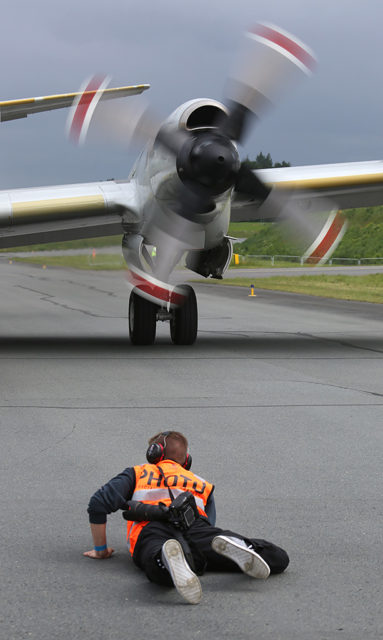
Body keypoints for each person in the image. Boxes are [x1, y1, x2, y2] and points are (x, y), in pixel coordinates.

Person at [84, 431, 289, 605]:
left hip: (152, 528)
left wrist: (101, 550)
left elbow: (98, 503)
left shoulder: (138, 473)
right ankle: (247, 547)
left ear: (154, 453)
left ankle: (167, 559)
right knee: (278, 558)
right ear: (187, 459)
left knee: (157, 567)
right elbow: (210, 521)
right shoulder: (200, 483)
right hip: (197, 528)